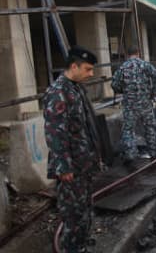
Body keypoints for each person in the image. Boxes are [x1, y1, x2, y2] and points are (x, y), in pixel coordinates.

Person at [43, 45, 102, 253]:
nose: (91, 73)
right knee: (73, 215)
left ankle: (81, 245)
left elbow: (85, 126)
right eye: (87, 69)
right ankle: (70, 248)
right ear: (74, 66)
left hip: (83, 163)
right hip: (71, 168)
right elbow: (55, 133)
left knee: (85, 209)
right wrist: (63, 166)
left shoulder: (76, 87)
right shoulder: (58, 92)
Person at [111, 46, 156, 165]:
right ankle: (153, 152)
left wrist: (123, 90)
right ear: (138, 53)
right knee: (149, 127)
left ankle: (131, 154)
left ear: (126, 54)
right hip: (146, 103)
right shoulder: (145, 65)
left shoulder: (123, 67)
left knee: (128, 130)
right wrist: (154, 93)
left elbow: (114, 85)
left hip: (130, 105)